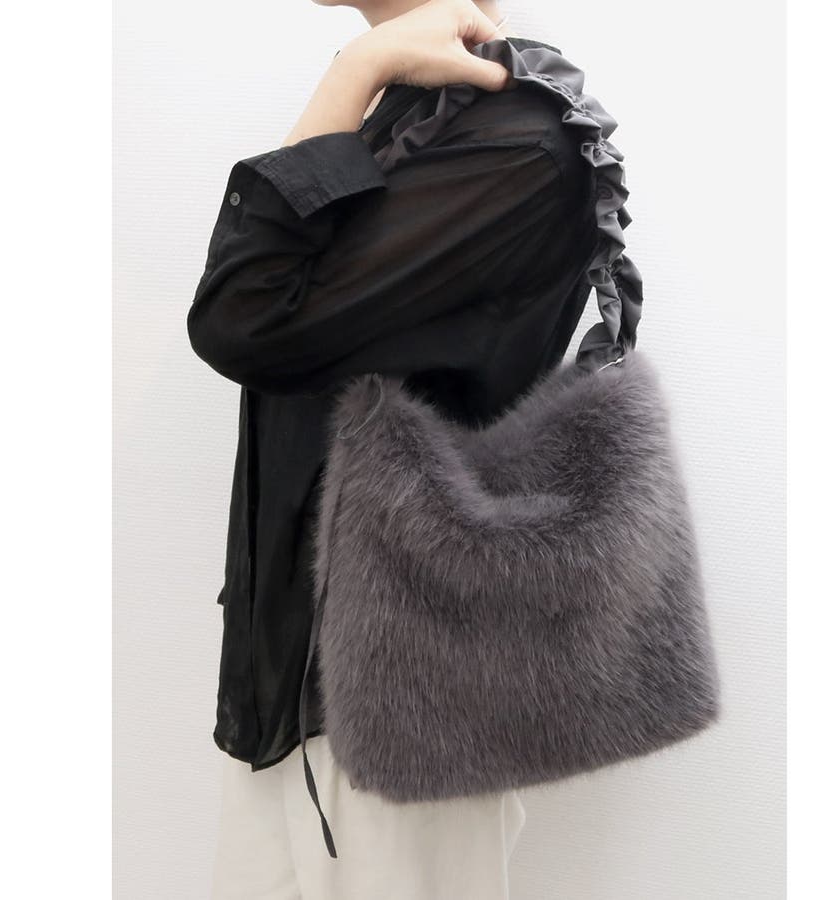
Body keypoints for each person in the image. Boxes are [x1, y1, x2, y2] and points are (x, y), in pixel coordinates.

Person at [187, 0, 643, 896]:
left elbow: (244, 317)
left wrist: (351, 73)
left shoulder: (516, 141)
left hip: (402, 704)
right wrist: (370, 73)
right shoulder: (420, 115)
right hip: (300, 685)